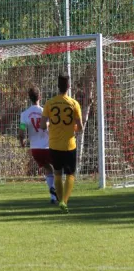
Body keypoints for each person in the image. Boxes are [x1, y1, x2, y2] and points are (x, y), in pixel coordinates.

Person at [40, 74, 83, 214]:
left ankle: (60, 201)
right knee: (70, 174)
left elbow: (42, 125)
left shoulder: (50, 103)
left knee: (57, 172)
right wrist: (75, 128)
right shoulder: (74, 104)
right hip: (70, 145)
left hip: (54, 144)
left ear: (57, 86)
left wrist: (49, 124)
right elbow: (80, 127)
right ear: (69, 86)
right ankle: (64, 201)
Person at [18, 87, 58, 204]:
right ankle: (55, 190)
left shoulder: (24, 114)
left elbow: (21, 132)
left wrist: (22, 141)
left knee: (48, 169)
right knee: (58, 169)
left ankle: (53, 197)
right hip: (48, 147)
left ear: (29, 98)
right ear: (40, 97)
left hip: (35, 150)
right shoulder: (44, 112)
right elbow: (50, 127)